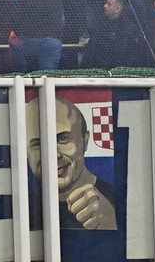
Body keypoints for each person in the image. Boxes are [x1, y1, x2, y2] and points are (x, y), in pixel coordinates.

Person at [24, 95, 117, 230]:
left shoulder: (118, 200)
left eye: (63, 139)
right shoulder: (17, 210)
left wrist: (110, 222)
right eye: (38, 144)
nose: (53, 154)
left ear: (85, 141)